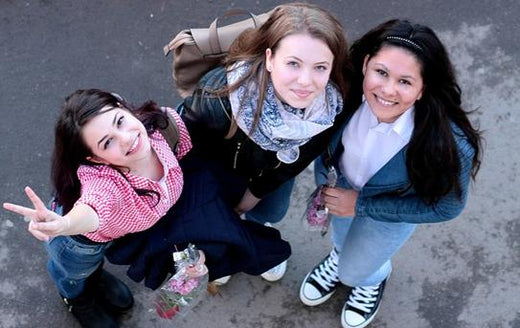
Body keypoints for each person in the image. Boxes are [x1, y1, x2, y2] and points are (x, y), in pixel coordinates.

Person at [2, 89, 291, 328]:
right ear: (96, 158)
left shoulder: (165, 128)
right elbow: (94, 208)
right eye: (108, 142)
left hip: (120, 233)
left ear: (123, 106)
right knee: (73, 274)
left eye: (119, 121)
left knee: (92, 271)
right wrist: (64, 225)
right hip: (78, 241)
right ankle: (77, 298)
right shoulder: (103, 181)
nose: (126, 138)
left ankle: (95, 278)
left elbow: (191, 176)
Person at [298, 19, 482, 328]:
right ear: (366, 64)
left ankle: (371, 279)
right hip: (337, 187)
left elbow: (447, 206)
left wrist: (361, 205)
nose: (387, 90)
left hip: (389, 210)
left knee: (354, 272)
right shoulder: (342, 92)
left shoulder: (448, 144)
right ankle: (342, 255)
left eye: (405, 82)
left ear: (423, 88)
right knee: (342, 241)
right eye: (381, 72)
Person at [179, 2, 352, 283]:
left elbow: (295, 160)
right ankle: (225, 245)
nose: (306, 82)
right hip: (215, 173)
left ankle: (246, 230)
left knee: (272, 210)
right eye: (293, 63)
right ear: (270, 58)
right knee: (220, 212)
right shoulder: (218, 99)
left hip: (269, 173)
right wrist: (221, 212)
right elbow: (190, 158)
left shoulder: (328, 107)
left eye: (320, 67)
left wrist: (249, 200)